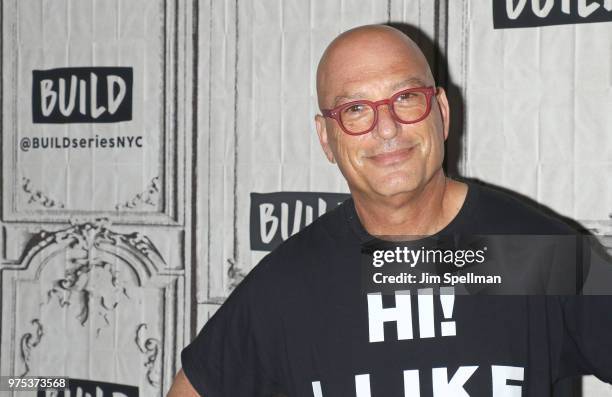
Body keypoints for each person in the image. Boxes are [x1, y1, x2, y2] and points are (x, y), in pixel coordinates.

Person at [168, 24, 612, 396]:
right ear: (326, 138)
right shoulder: (292, 283)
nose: (387, 128)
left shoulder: (531, 256)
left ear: (440, 109)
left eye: (405, 98)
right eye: (355, 109)